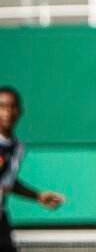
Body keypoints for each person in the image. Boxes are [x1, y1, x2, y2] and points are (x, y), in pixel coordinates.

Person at [0, 86, 65, 252]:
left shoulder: (17, 146)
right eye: (2, 106)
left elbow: (7, 182)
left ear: (19, 111)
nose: (7, 112)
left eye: (12, 106)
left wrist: (37, 195)